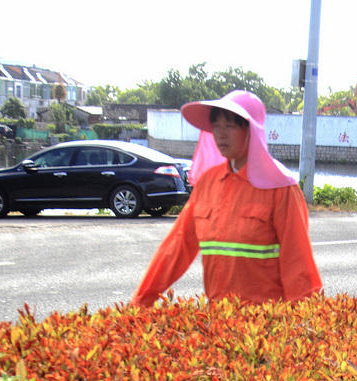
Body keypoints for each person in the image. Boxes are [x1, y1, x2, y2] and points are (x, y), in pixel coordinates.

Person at [131, 90, 322, 307]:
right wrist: (140, 302)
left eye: (230, 126)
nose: (221, 134)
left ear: (251, 131)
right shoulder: (207, 185)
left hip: (266, 328)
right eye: (217, 126)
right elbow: (175, 248)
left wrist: (303, 325)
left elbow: (298, 264)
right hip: (220, 324)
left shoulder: (280, 187)